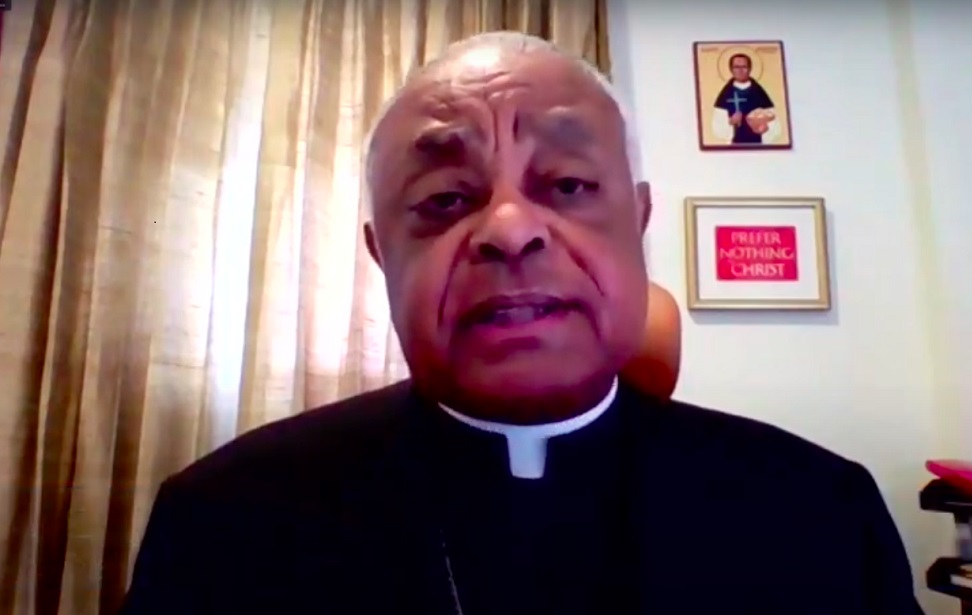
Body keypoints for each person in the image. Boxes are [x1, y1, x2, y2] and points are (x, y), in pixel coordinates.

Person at [120, 32, 923, 615]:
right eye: (444, 200)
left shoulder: (820, 510)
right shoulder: (226, 517)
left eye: (568, 185)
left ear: (637, 221)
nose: (509, 228)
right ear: (380, 253)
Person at [712, 52, 783, 145]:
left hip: (757, 144)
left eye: (744, 67)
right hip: (734, 145)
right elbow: (717, 129)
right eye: (736, 67)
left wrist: (766, 129)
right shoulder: (726, 94)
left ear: (750, 69)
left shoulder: (759, 93)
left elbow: (775, 124)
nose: (740, 70)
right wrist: (730, 122)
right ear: (731, 69)